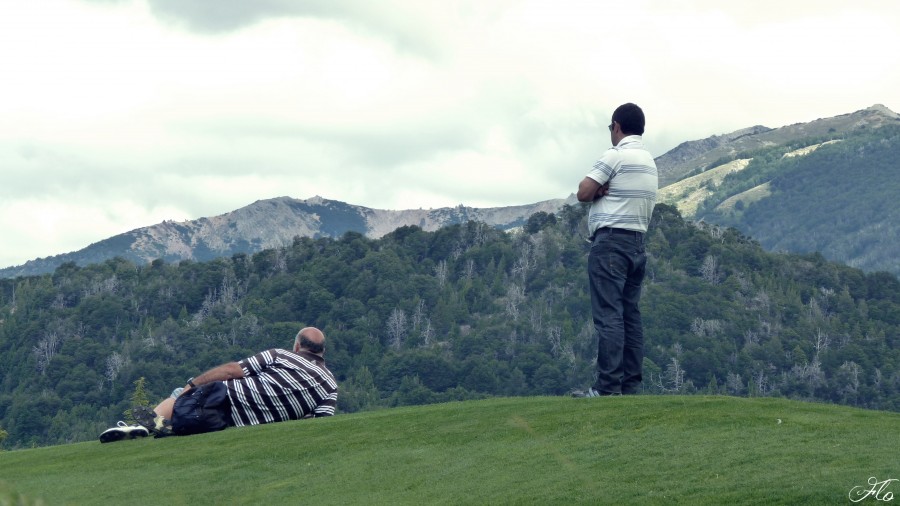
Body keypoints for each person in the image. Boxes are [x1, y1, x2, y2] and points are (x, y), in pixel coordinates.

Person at [100, 326, 337, 442]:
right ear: (322, 352)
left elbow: (232, 370)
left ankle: (142, 426)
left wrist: (192, 384)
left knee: (178, 395)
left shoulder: (281, 355)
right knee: (192, 408)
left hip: (224, 398)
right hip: (241, 422)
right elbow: (318, 421)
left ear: (297, 346)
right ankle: (170, 426)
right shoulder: (330, 385)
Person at [575, 103, 658, 397]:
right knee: (630, 316)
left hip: (610, 243)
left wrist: (598, 190)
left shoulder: (616, 155)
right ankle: (630, 386)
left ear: (617, 126)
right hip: (637, 244)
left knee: (609, 315)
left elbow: (583, 192)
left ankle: (607, 388)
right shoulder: (649, 161)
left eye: (611, 128)